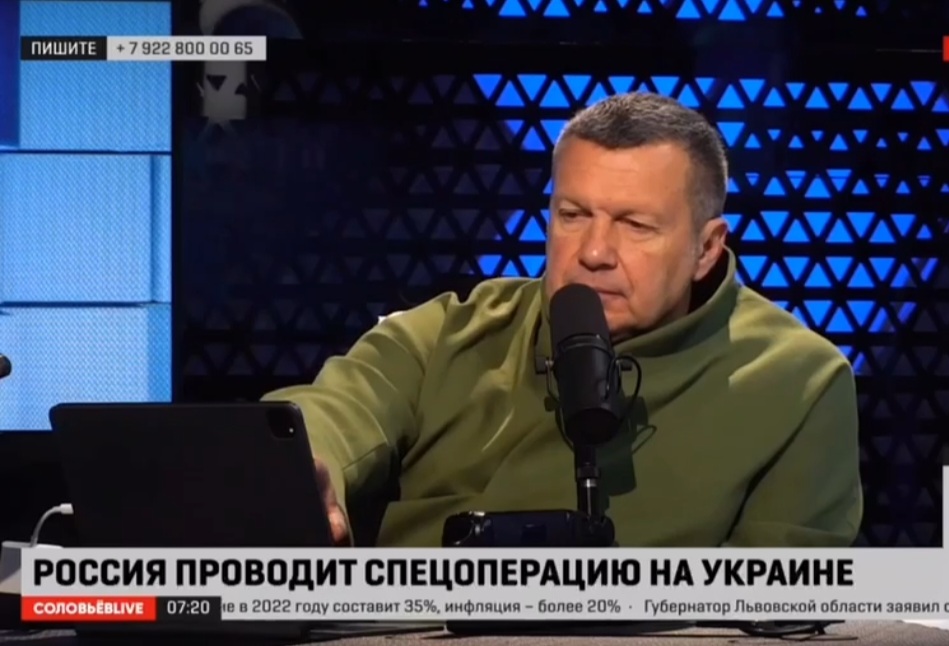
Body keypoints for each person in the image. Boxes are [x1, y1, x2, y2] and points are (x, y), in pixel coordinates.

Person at [264, 92, 863, 548]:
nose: (594, 252)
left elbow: (781, 602)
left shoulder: (800, 381)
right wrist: (299, 468)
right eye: (572, 215)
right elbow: (334, 411)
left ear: (706, 248)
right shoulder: (447, 331)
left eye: (635, 225)